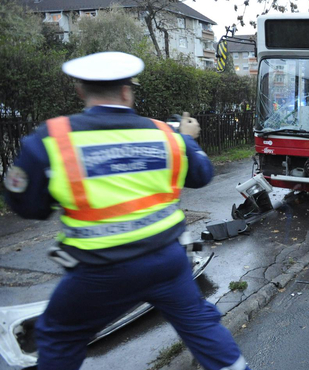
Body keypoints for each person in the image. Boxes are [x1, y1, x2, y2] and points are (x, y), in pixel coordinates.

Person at [3, 52, 250, 370]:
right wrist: (188, 140)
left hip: (99, 271)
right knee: (201, 325)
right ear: (126, 92)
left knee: (58, 335)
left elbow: (28, 207)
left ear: (80, 91)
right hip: (168, 262)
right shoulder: (165, 135)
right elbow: (202, 175)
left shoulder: (52, 139)